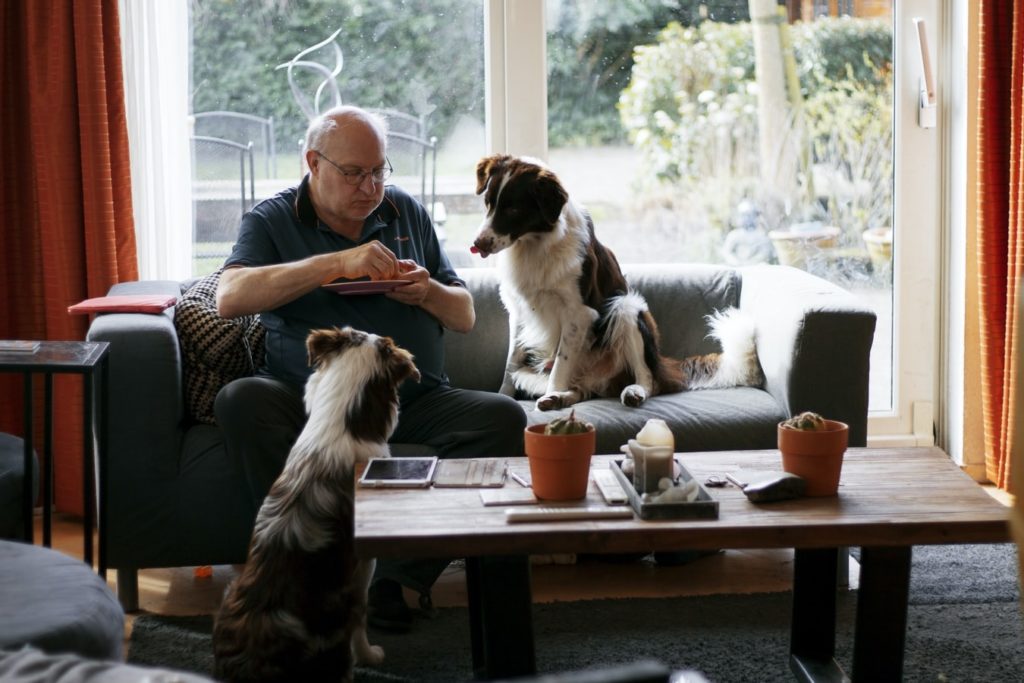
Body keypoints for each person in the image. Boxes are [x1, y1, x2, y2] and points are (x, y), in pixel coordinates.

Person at [214, 105, 526, 632]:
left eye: (379, 171)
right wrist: (337, 264)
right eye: (355, 173)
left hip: (413, 399)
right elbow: (229, 297)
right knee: (241, 400)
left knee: (501, 419)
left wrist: (425, 290)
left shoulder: (406, 211)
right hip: (311, 404)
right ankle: (299, 572)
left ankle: (395, 580)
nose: (370, 186)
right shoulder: (272, 219)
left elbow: (465, 314)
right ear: (313, 162)